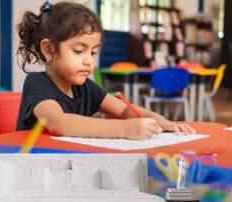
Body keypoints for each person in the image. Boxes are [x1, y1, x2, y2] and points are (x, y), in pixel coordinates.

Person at [15, 1, 195, 139]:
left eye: (93, 52)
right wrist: (125, 129)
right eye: (78, 51)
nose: (88, 61)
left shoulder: (85, 87)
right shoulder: (37, 83)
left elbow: (124, 110)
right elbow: (58, 123)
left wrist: (160, 121)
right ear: (48, 49)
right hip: (35, 170)